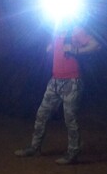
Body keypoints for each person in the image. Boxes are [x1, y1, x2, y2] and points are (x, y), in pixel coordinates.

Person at [14, 24, 101, 165]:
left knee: (70, 119)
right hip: (55, 81)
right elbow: (53, 48)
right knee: (42, 114)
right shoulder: (57, 31)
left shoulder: (76, 30)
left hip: (72, 81)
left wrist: (76, 50)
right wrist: (51, 48)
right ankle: (34, 148)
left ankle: (73, 154)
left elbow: (96, 45)